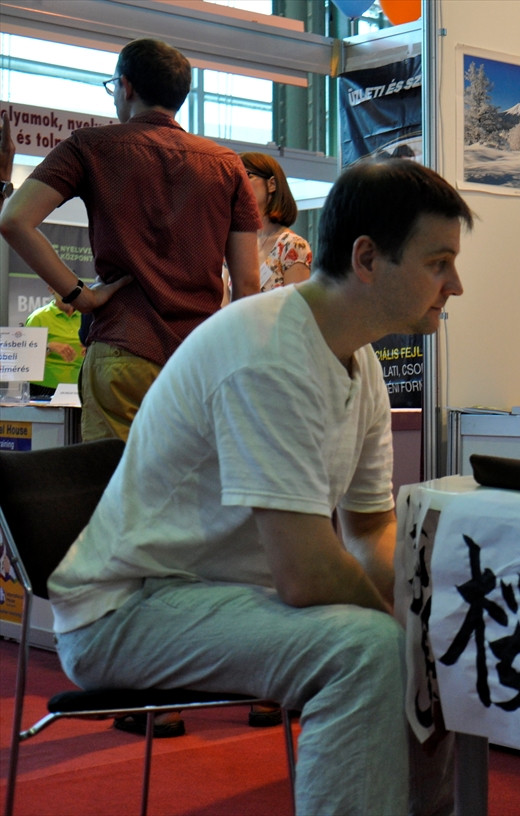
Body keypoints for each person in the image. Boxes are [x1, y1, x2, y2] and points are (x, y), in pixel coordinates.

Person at [46, 158, 471, 815]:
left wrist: (422, 618)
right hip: (126, 612)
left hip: (212, 593)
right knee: (368, 651)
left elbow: (370, 529)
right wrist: (402, 629)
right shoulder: (269, 353)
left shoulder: (358, 360)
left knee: (428, 639)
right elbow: (306, 573)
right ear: (366, 258)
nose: (456, 286)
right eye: (439, 263)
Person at [0, 38, 260, 442]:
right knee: (187, 479)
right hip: (198, 360)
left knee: (113, 479)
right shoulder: (227, 166)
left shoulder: (90, 147)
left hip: (123, 348)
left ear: (126, 86)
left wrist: (81, 296)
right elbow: (247, 283)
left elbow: (14, 219)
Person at [241, 151, 313, 293]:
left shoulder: (292, 245)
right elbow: (224, 304)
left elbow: (295, 305)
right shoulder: (236, 246)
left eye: (248, 175)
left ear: (272, 184)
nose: (239, 184)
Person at [24, 287, 84, 398]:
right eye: (61, 286)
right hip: (44, 387)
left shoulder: (88, 317)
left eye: (70, 286)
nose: (67, 291)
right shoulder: (38, 317)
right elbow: (25, 358)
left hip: (81, 385)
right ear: (51, 289)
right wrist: (49, 347)